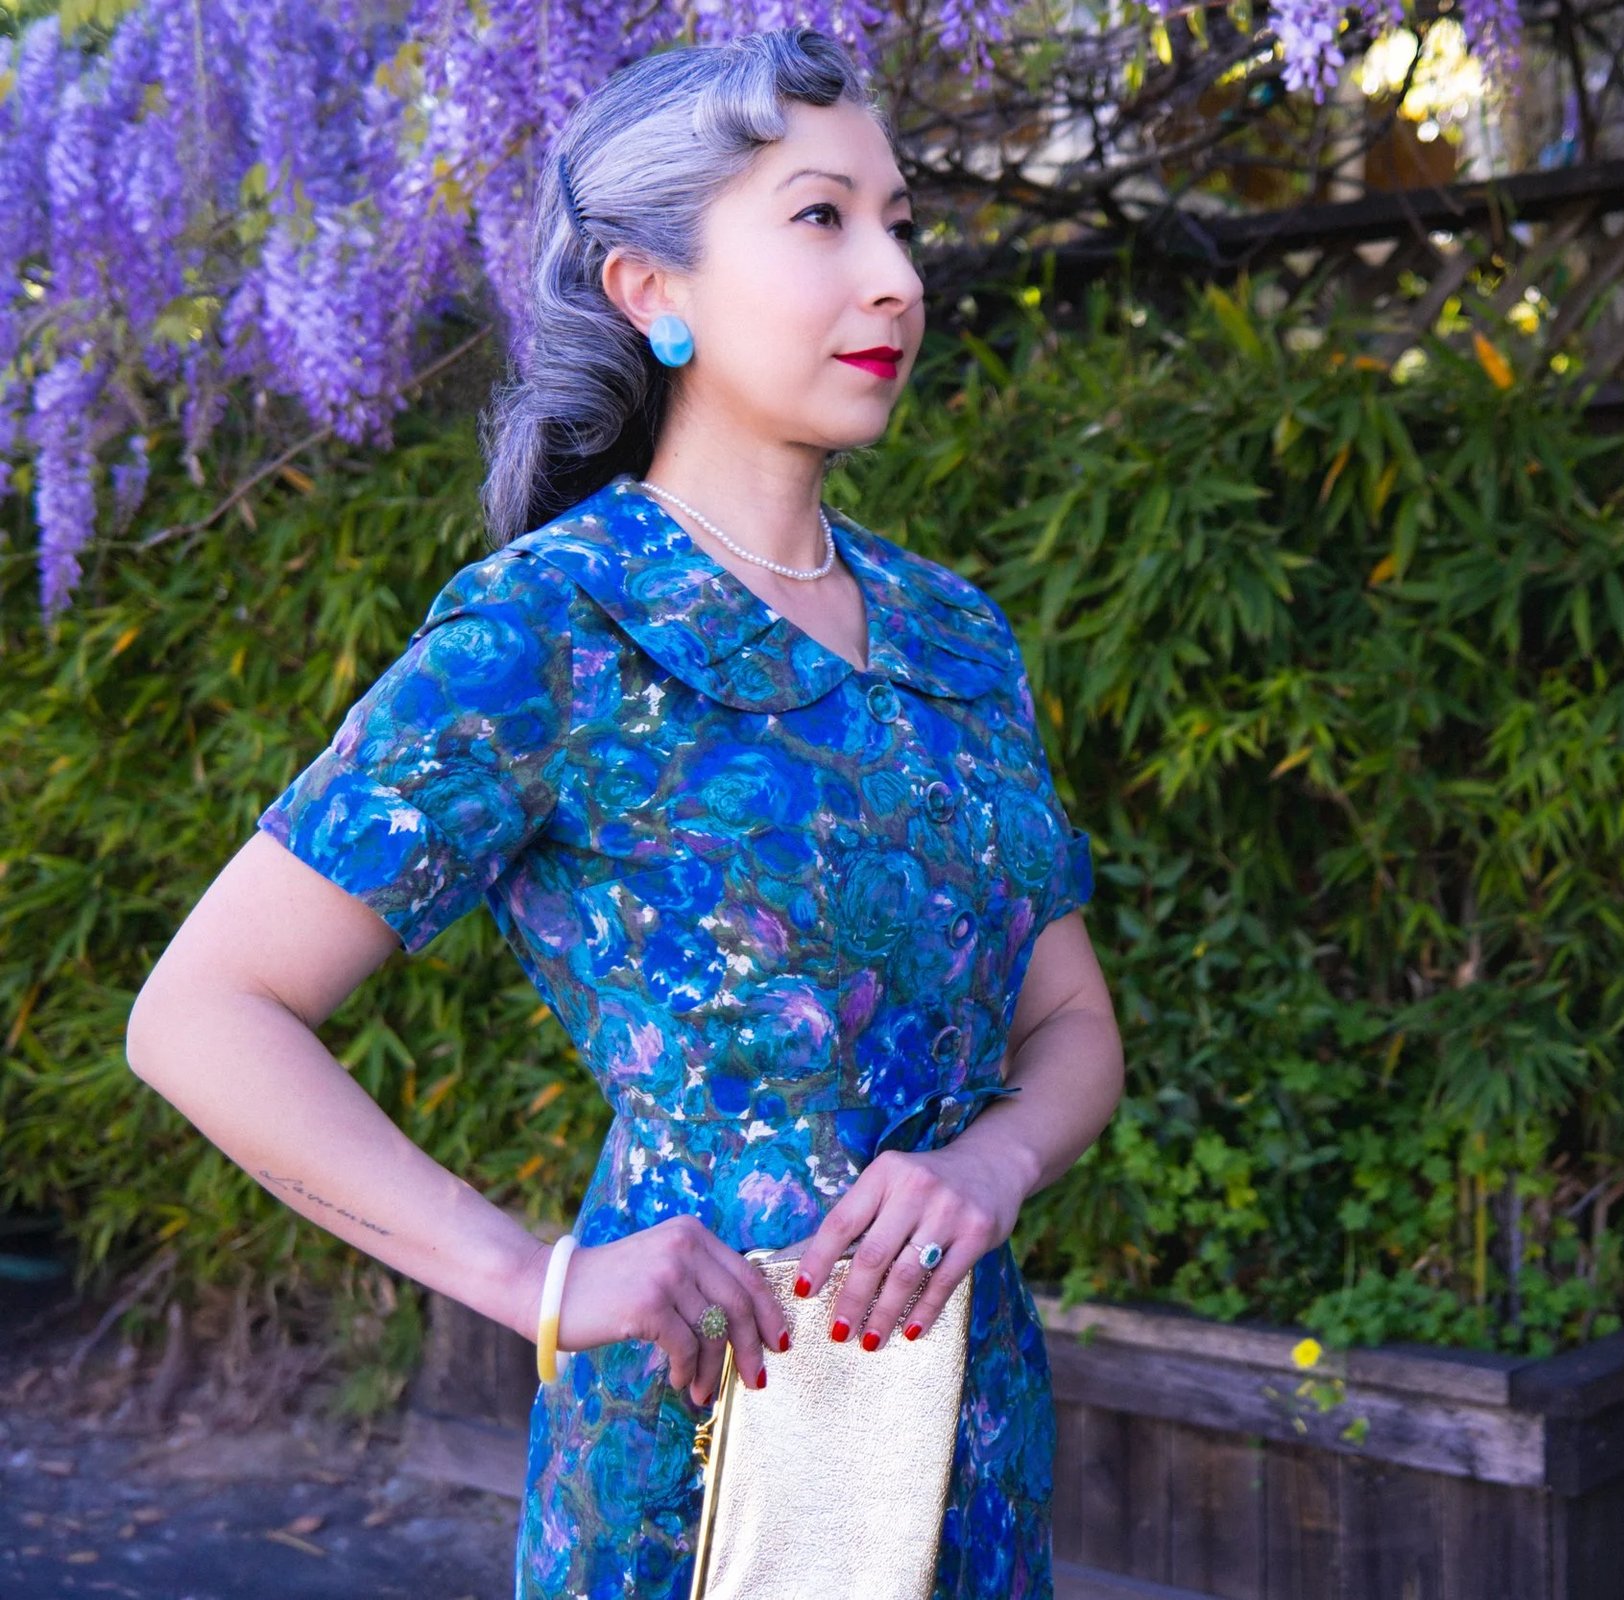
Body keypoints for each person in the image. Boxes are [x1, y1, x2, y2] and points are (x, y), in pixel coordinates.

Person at [123, 26, 1123, 1600]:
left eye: (900, 222)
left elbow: (1071, 1025)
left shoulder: (955, 635)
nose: (895, 279)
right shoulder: (558, 627)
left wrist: (991, 1167)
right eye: (821, 218)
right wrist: (534, 1278)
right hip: (702, 1442)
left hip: (965, 1422)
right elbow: (201, 1013)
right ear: (652, 290)